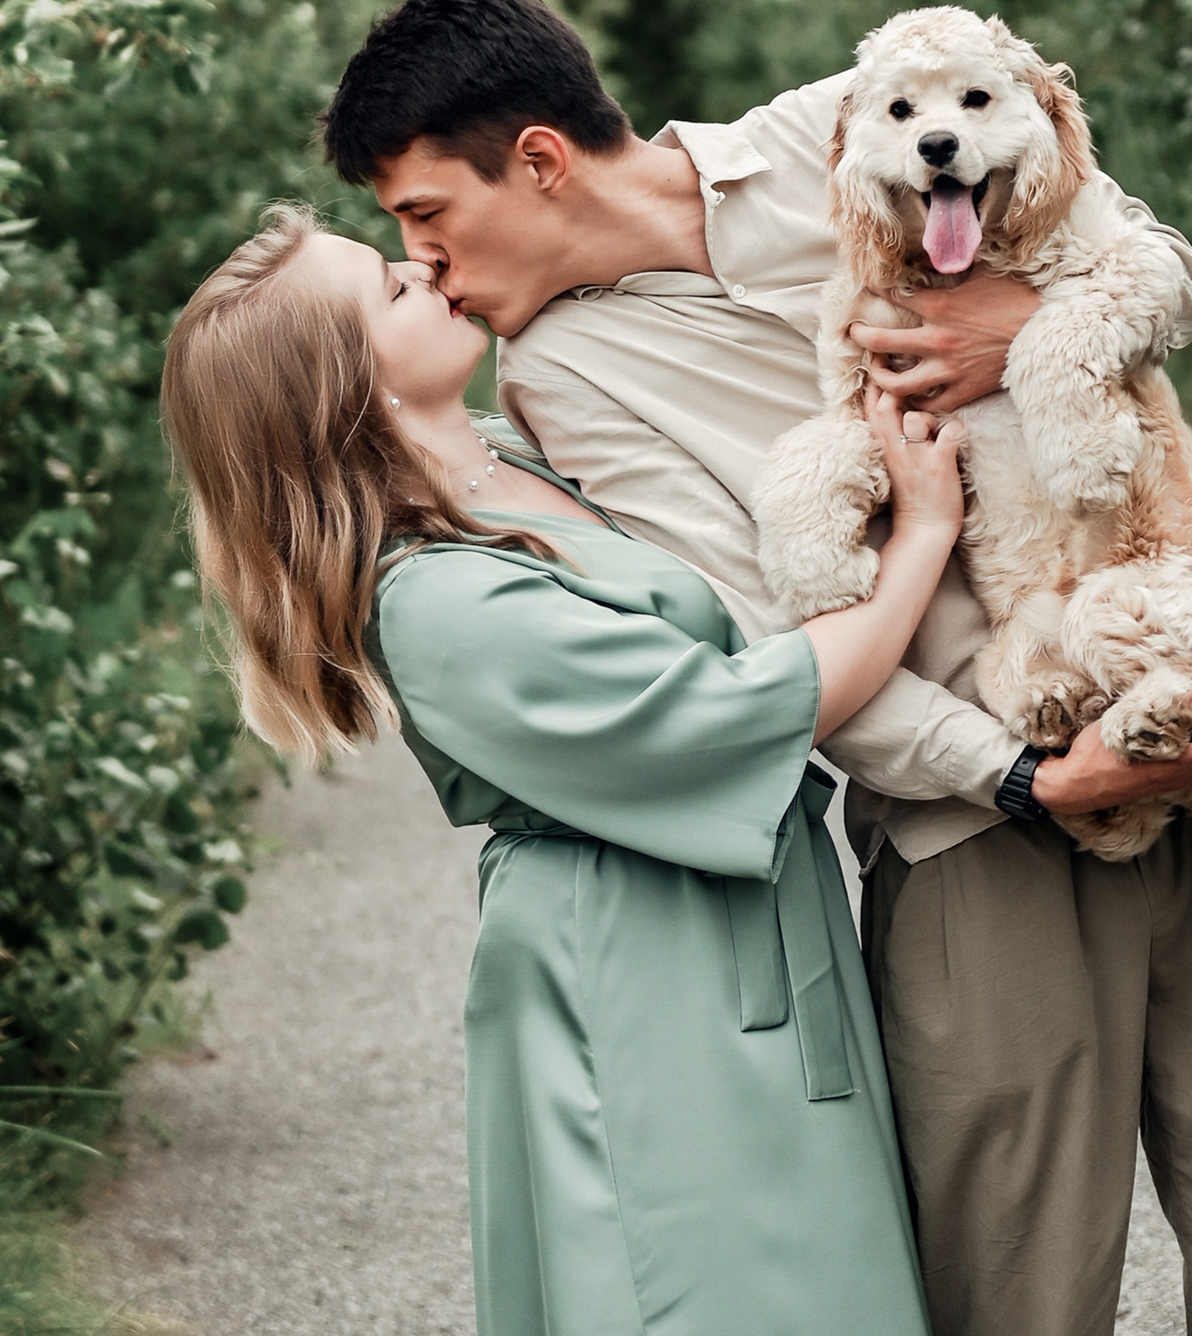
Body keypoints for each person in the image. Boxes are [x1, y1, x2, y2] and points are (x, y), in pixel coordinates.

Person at [320, 0, 1192, 1336]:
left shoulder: (851, 118)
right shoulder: (563, 379)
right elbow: (783, 632)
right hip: (976, 842)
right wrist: (1015, 775)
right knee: (1015, 1292)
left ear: (535, 161)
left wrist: (1018, 331)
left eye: (428, 216)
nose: (436, 268)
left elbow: (1161, 262)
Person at [158, 205, 959, 1336]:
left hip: (732, 913)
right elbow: (735, 714)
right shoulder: (433, 596)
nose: (418, 264)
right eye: (385, 288)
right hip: (638, 957)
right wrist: (920, 540)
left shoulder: (512, 457)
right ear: (338, 389)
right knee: (704, 1286)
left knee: (820, 1276)